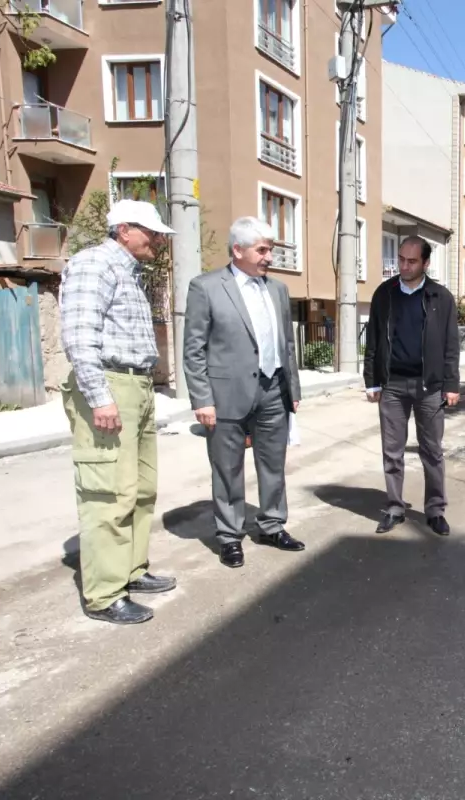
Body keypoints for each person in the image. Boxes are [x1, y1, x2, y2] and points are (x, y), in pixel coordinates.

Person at [59, 199, 177, 625]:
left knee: (140, 489)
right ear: (124, 229)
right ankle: (106, 594)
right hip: (111, 386)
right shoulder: (95, 265)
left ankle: (131, 570)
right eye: (151, 231)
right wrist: (100, 396)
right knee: (108, 494)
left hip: (138, 386)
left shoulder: (128, 272)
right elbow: (78, 336)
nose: (159, 240)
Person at [183, 217, 304, 569]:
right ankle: (230, 535)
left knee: (273, 466)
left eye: (271, 249)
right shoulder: (205, 287)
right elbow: (193, 349)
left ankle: (271, 525)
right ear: (238, 250)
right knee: (227, 469)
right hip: (226, 395)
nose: (269, 256)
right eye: (262, 249)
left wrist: (291, 388)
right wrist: (202, 399)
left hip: (272, 390)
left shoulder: (278, 290)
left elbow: (287, 344)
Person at [364, 236, 460, 536]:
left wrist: (451, 384)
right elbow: (374, 340)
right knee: (392, 451)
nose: (403, 266)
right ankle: (394, 506)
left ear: (425, 263)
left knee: (432, 451)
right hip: (392, 385)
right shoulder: (385, 293)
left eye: (411, 261)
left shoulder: (440, 297)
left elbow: (450, 346)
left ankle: (435, 510)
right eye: (401, 260)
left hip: (429, 387)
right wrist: (372, 381)